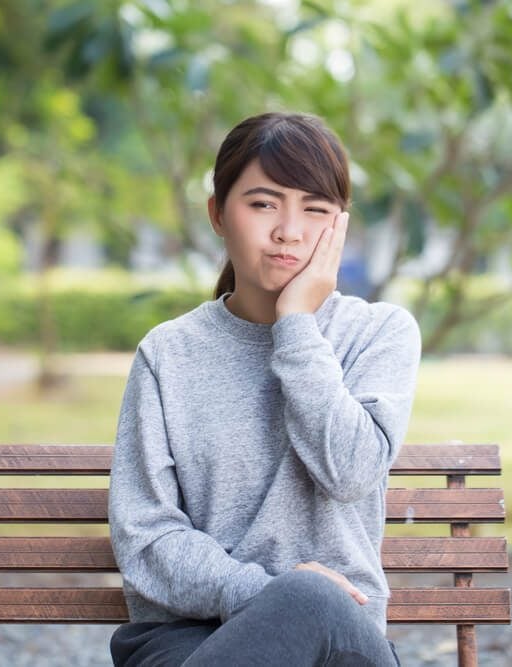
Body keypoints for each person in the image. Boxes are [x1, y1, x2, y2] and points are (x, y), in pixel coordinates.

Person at [107, 111, 422, 666]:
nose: (289, 231)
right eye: (263, 203)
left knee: (313, 600)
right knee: (300, 596)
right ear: (217, 214)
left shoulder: (380, 334)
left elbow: (349, 472)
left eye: (315, 210)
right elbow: (146, 537)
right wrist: (260, 592)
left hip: (340, 644)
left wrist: (295, 325)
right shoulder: (169, 353)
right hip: (188, 640)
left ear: (339, 227)